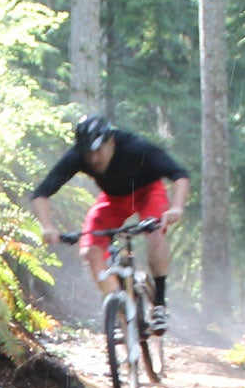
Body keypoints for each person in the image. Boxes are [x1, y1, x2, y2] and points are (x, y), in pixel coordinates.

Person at [28, 115, 190, 334]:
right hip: (114, 199)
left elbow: (179, 175)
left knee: (155, 233)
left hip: (148, 192)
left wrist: (177, 207)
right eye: (88, 154)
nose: (94, 159)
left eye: (98, 150)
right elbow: (41, 193)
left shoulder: (135, 146)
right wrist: (47, 226)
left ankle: (159, 303)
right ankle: (117, 306)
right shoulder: (77, 157)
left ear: (111, 142)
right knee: (89, 250)